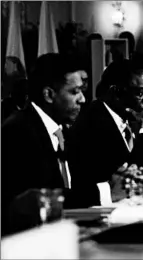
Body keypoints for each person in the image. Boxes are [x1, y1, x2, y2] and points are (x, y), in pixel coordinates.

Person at [1, 53, 87, 236]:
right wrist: (104, 189)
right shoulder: (18, 132)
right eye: (74, 91)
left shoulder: (63, 129)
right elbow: (36, 200)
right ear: (49, 94)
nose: (83, 99)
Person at [68, 60, 143, 207]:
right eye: (141, 92)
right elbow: (132, 180)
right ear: (116, 92)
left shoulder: (127, 119)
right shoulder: (94, 122)